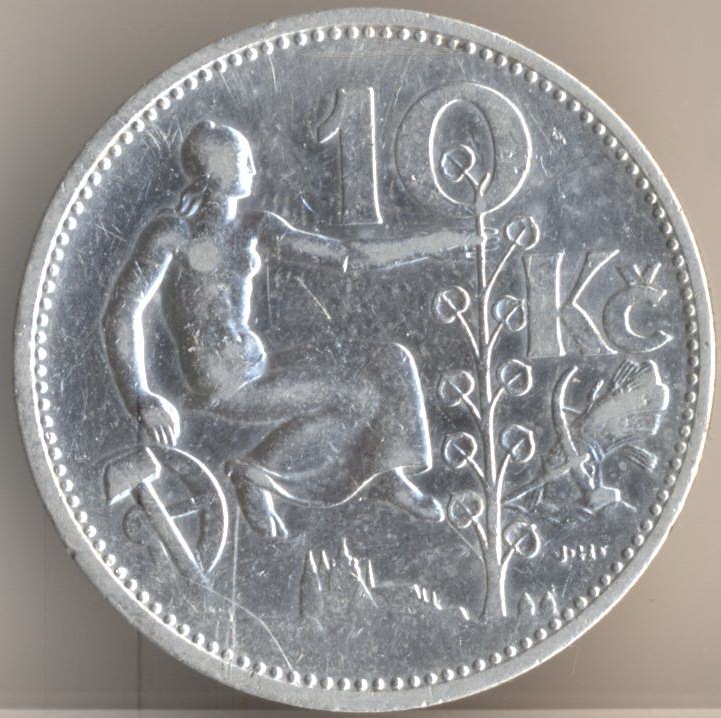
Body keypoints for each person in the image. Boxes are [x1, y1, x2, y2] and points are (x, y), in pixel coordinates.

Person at [103, 121, 476, 538]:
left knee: (391, 359)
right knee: (358, 397)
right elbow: (123, 311)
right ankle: (257, 472)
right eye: (242, 159)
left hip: (257, 364)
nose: (253, 168)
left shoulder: (254, 227)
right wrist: (139, 396)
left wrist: (433, 243)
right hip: (222, 383)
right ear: (217, 170)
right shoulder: (174, 233)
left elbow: (346, 256)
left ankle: (387, 474)